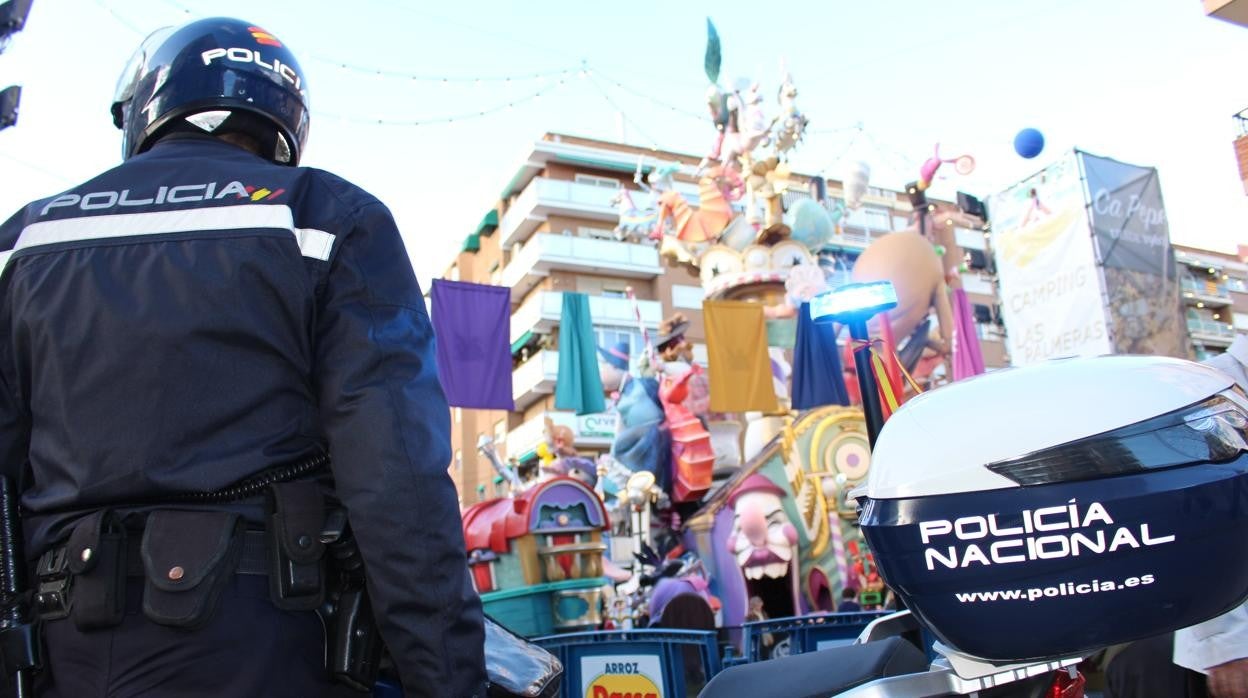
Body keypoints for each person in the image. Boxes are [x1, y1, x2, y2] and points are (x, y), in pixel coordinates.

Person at [0, 17, 485, 697]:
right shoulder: (327, 216)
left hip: (61, 650)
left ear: (148, 105)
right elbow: (397, 481)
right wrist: (448, 680)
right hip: (262, 644)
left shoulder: (24, 241)